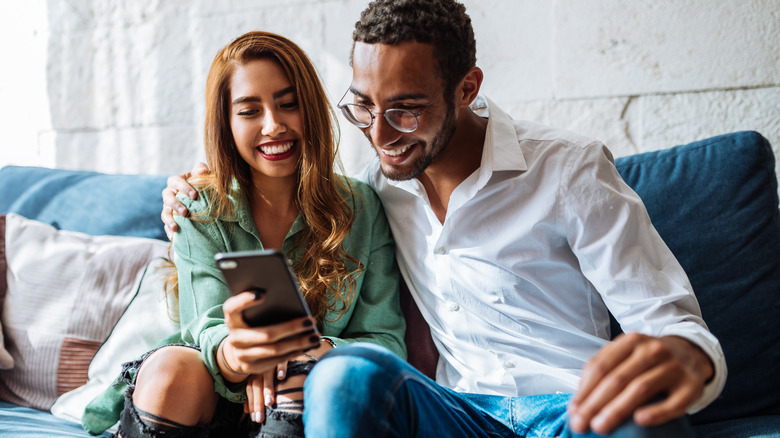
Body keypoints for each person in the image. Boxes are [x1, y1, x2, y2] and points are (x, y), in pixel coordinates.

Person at [162, 1, 726, 436]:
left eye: (405, 109)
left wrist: (682, 358)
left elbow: (674, 326)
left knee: (643, 417)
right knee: (344, 373)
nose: (379, 135)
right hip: (453, 415)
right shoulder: (378, 189)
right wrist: (193, 188)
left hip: (573, 410)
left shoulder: (569, 169)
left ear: (467, 88)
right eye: (362, 105)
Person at [95, 30, 406, 438]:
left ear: (310, 108)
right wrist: (241, 357)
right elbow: (205, 325)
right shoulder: (200, 205)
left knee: (303, 370)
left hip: (304, 391)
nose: (273, 125)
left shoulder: (362, 206)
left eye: (288, 104)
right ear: (226, 123)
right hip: (211, 385)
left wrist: (306, 351)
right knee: (172, 370)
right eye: (249, 111)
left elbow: (384, 339)